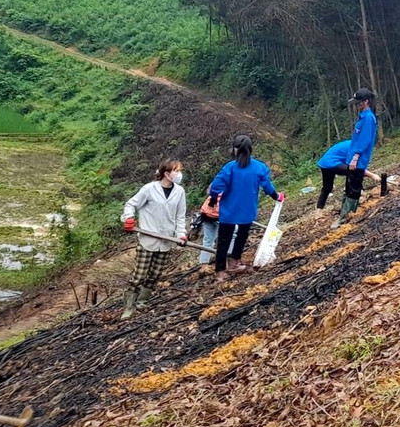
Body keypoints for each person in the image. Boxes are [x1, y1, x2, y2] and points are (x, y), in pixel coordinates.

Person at [205, 135, 281, 279]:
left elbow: (216, 187)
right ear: (251, 149)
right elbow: (268, 187)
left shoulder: (230, 168)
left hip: (229, 210)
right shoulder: (260, 167)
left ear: (235, 149)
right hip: (248, 210)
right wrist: (277, 197)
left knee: (223, 240)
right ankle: (234, 261)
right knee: (242, 236)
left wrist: (213, 198)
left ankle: (220, 272)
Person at [120, 159, 188, 318]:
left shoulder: (180, 192)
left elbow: (180, 216)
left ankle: (143, 301)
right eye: (176, 171)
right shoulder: (149, 189)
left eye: (179, 171)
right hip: (147, 239)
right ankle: (128, 307)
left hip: (166, 240)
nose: (179, 174)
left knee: (155, 274)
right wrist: (129, 218)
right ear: (166, 173)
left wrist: (181, 234)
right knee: (140, 274)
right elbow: (131, 204)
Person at [315, 88, 379, 228]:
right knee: (349, 186)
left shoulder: (368, 118)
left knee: (354, 188)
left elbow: (365, 140)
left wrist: (356, 157)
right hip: (351, 158)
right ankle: (345, 214)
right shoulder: (362, 116)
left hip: (358, 159)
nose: (356, 106)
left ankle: (346, 218)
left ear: (366, 102)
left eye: (358, 103)